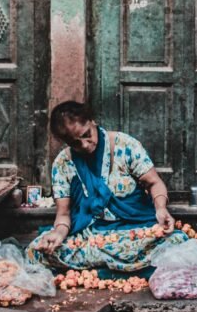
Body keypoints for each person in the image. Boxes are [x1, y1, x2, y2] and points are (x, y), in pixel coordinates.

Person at [27, 101, 184, 273]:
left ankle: (102, 264)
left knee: (175, 241)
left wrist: (161, 209)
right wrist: (58, 233)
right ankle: (120, 264)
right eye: (76, 143)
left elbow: (154, 183)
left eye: (87, 134)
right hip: (91, 234)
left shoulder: (125, 145)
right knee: (37, 251)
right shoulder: (63, 164)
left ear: (92, 120)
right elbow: (63, 215)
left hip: (132, 228)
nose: (85, 145)